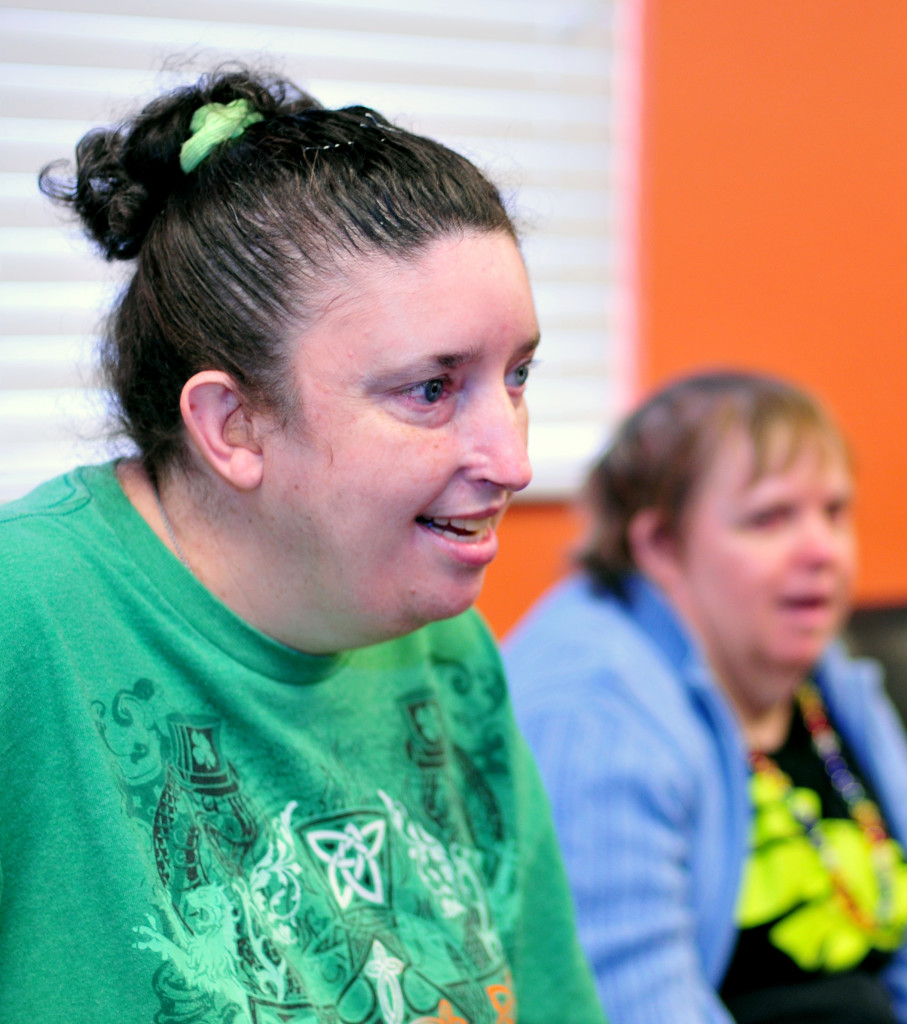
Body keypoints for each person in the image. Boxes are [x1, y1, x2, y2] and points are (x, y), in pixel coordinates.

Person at [0, 66, 608, 1024]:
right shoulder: (25, 615)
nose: (512, 459)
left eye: (517, 374)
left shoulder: (445, 647)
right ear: (233, 425)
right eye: (431, 389)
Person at [503, 370, 907, 1024]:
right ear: (660, 546)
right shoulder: (594, 710)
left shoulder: (816, 672)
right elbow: (637, 1009)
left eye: (834, 512)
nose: (822, 551)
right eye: (771, 517)